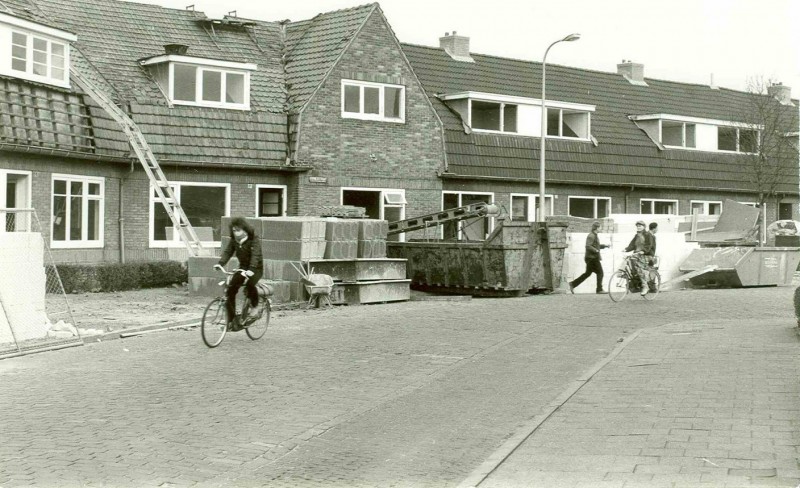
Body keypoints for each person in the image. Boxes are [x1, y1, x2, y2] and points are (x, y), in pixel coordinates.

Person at [214, 217, 263, 330]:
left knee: (250, 284)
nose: (236, 233)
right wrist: (220, 263)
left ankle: (255, 307)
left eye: (238, 230)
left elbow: (256, 255)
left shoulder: (253, 240)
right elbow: (228, 252)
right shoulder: (234, 241)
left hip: (256, 268)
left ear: (245, 229)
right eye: (234, 230)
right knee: (230, 290)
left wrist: (251, 269)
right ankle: (232, 321)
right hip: (243, 268)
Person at [569, 221, 609, 294]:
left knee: (587, 274)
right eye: (600, 227)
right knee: (600, 272)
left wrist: (604, 246)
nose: (601, 228)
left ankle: (572, 284)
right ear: (596, 228)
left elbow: (595, 245)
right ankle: (599, 289)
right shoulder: (591, 236)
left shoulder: (595, 235)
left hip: (591, 258)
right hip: (592, 258)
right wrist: (596, 250)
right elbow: (588, 246)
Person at [624, 220, 652, 295]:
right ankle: (633, 282)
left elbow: (649, 245)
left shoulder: (647, 234)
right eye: (637, 226)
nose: (638, 227)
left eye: (640, 226)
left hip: (646, 255)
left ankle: (645, 287)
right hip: (637, 254)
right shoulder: (637, 235)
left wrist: (643, 251)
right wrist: (626, 249)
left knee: (639, 269)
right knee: (629, 263)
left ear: (644, 227)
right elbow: (632, 245)